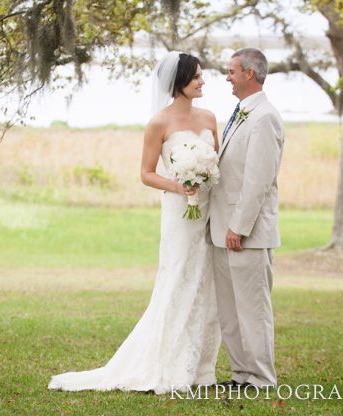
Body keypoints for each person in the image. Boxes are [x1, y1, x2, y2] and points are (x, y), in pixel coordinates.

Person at [48, 52, 221, 394]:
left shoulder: (210, 117)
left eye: (203, 76)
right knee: (177, 280)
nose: (203, 81)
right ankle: (165, 365)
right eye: (196, 77)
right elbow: (145, 174)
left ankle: (201, 368)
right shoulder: (159, 123)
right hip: (178, 213)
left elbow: (217, 162)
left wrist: (206, 177)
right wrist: (178, 184)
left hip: (208, 212)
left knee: (206, 283)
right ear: (178, 83)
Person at [208, 48, 285, 389]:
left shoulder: (265, 117)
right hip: (222, 230)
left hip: (247, 234)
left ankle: (262, 378)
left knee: (253, 310)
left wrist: (238, 227)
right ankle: (241, 373)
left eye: (231, 71)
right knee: (230, 311)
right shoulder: (242, 112)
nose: (227, 77)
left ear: (249, 74)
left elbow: (258, 180)